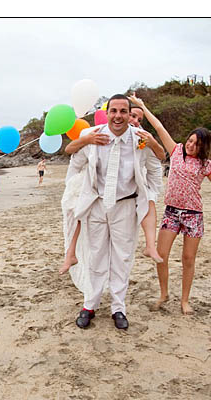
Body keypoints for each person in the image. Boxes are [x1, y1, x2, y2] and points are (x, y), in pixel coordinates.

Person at [63, 94, 163, 330]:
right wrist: (76, 192)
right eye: (113, 111)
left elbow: (156, 164)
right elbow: (74, 160)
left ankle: (118, 307)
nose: (118, 116)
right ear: (107, 113)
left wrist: (151, 195)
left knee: (122, 256)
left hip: (126, 206)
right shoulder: (94, 134)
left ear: (130, 114)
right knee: (96, 254)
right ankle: (90, 304)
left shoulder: (140, 138)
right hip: (97, 204)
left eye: (123, 111)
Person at [128, 93, 211, 315]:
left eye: (196, 144)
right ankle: (164, 293)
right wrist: (142, 105)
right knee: (160, 254)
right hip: (171, 213)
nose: (191, 145)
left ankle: (185, 301)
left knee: (188, 259)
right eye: (190, 140)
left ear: (203, 147)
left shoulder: (206, 165)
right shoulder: (176, 152)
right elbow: (159, 126)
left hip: (193, 216)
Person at [60, 103, 166, 275]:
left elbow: (161, 156)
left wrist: (152, 143)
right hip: (90, 179)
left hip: (124, 188)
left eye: (139, 119)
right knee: (79, 212)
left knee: (149, 202)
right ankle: (71, 253)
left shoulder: (140, 137)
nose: (135, 121)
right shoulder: (97, 132)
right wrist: (86, 140)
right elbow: (70, 150)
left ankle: (150, 245)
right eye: (132, 115)